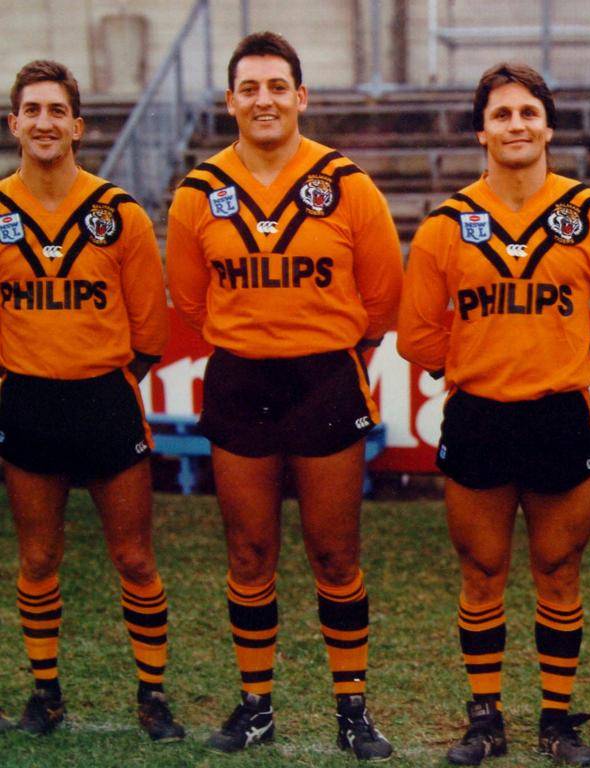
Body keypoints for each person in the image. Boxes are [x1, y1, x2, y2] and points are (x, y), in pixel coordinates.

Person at [396, 62, 590, 766]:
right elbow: (416, 337)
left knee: (559, 570)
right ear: (482, 129)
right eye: (502, 114)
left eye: (527, 113)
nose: (516, 125)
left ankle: (557, 720)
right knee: (481, 572)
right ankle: (485, 719)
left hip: (558, 415)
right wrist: (487, 356)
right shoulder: (448, 224)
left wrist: (567, 361)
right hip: (478, 416)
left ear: (549, 126)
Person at [165, 32, 402, 759]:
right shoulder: (198, 193)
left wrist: (314, 339)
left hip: (325, 379)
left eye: (277, 87)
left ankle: (352, 709)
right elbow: (192, 300)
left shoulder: (348, 184)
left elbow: (384, 297)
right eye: (249, 88)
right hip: (241, 381)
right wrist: (258, 337)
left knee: (334, 554)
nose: (263, 100)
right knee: (249, 552)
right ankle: (256, 705)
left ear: (300, 97)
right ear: (231, 100)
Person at [0, 60, 182, 740]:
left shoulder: (120, 214)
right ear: (14, 122)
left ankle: (152, 695)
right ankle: (44, 694)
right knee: (38, 559)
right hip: (27, 406)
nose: (44, 122)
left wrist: (92, 373)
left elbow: (150, 333)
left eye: (57, 110)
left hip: (106, 402)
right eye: (32, 110)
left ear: (78, 125)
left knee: (134, 559)